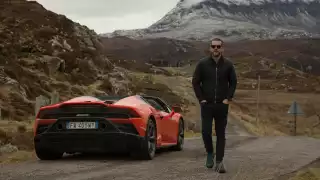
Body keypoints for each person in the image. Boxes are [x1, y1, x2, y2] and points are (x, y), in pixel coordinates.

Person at [192, 38, 237, 173]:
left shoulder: (228, 65)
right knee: (206, 132)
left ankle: (219, 162)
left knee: (220, 134)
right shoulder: (202, 64)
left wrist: (228, 98)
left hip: (222, 106)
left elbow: (233, 82)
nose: (216, 49)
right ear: (210, 48)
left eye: (218, 46)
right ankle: (210, 153)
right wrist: (201, 99)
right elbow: (195, 82)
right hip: (207, 105)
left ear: (222, 49)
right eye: (213, 46)